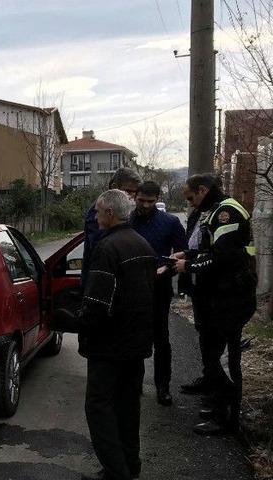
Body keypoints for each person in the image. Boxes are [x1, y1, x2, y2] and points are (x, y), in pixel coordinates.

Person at [59, 189, 157, 480]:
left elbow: (98, 304)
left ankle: (116, 471)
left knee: (99, 407)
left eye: (98, 212)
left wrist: (80, 326)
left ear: (109, 214)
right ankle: (130, 463)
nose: (96, 217)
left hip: (109, 346)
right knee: (128, 406)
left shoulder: (107, 248)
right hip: (136, 344)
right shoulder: (142, 243)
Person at [173, 173, 256, 435]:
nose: (191, 204)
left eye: (191, 197)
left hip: (232, 297)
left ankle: (227, 418)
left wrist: (188, 265)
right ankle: (218, 404)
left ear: (202, 190)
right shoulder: (215, 211)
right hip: (220, 296)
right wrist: (187, 254)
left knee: (224, 358)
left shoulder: (226, 212)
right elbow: (210, 250)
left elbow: (222, 258)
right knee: (213, 353)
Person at [130, 181, 188, 406]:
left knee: (161, 339)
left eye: (150, 201)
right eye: (141, 200)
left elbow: (182, 256)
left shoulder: (170, 222)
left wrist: (168, 268)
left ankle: (163, 386)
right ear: (135, 197)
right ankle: (135, 383)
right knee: (133, 337)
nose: (144, 205)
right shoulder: (127, 219)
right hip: (131, 288)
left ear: (157, 199)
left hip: (159, 288)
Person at [82, 167, 142, 287]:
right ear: (114, 187)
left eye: (135, 193)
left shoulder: (127, 211)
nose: (132, 197)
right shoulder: (99, 212)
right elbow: (101, 250)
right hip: (101, 282)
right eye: (128, 191)